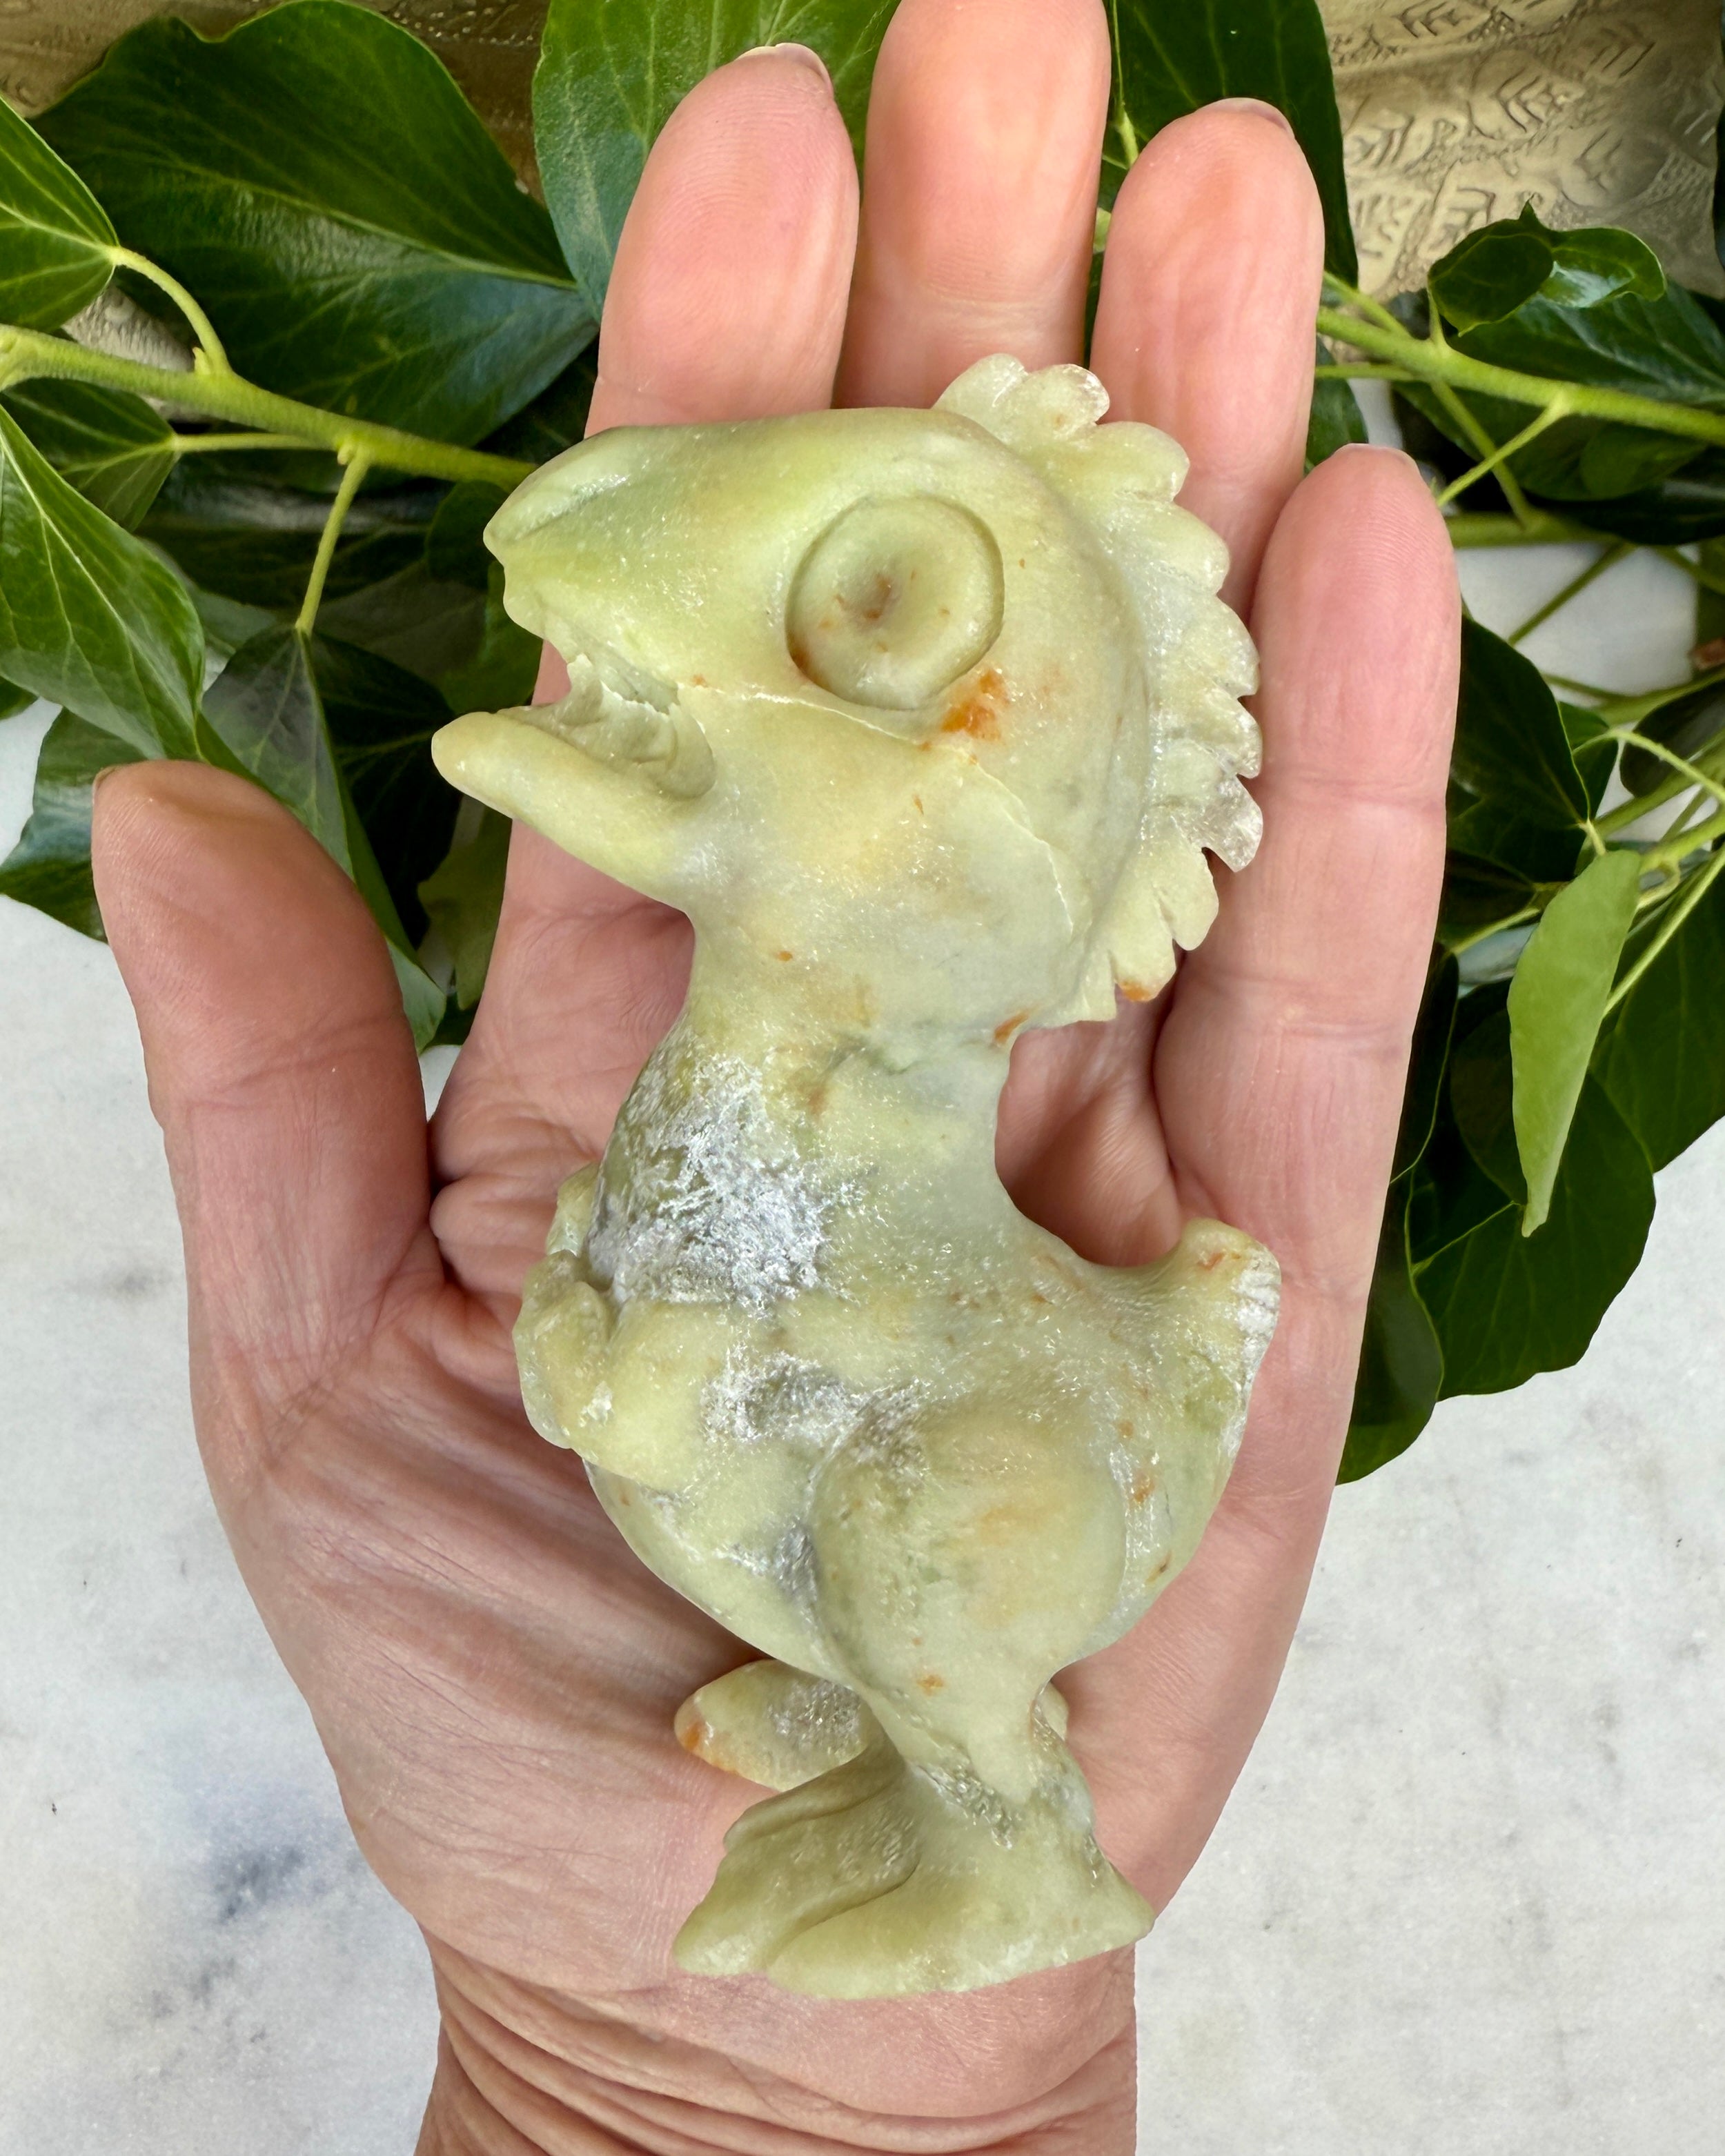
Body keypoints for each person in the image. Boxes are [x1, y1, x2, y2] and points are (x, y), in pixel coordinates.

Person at [88, 1, 1459, 2146]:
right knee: (852, 1514)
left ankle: (1000, 1825)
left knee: (915, 1522)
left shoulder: (869, 1167)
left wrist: (622, 1368)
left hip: (1047, 1471)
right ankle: (873, 1686)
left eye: (863, 622)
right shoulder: (777, 1108)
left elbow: (719, 1368)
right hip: (940, 1423)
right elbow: (694, 1342)